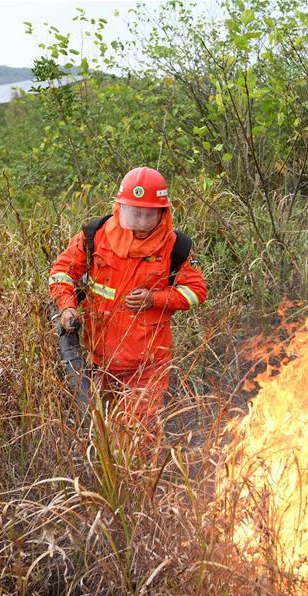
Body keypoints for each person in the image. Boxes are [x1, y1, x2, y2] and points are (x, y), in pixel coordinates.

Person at [48, 166, 207, 430]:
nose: (141, 223)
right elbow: (61, 272)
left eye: (148, 215)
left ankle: (141, 472)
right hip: (97, 360)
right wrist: (67, 307)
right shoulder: (95, 235)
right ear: (120, 208)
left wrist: (154, 299)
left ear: (163, 213)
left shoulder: (175, 247)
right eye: (135, 214)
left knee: (136, 434)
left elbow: (196, 291)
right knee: (98, 430)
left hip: (147, 365)